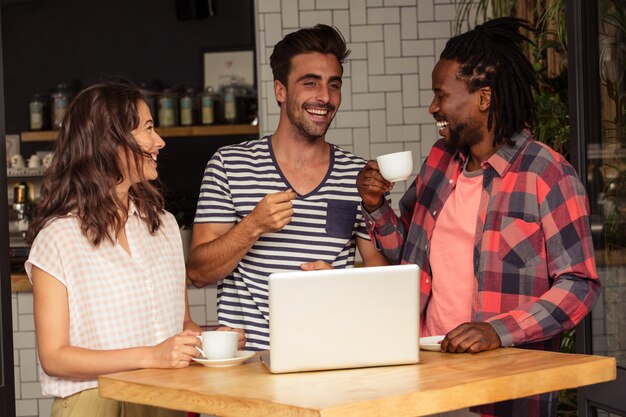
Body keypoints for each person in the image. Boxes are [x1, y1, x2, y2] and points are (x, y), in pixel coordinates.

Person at [356, 17, 600, 417]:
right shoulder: (440, 162)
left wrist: (496, 331)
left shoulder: (547, 174)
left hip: (505, 388)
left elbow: (579, 286)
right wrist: (375, 206)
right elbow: (408, 256)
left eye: (441, 95)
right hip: (425, 373)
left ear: (483, 98)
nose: (433, 107)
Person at [25, 82, 244, 417]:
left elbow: (180, 325)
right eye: (148, 129)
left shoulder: (165, 226)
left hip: (166, 398)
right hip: (94, 401)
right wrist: (149, 356)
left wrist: (212, 342)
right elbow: (54, 357)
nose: (160, 142)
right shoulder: (58, 239)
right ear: (109, 142)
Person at [187, 24, 389, 350]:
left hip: (331, 357)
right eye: (310, 83)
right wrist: (253, 226)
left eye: (333, 85)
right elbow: (198, 273)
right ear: (280, 90)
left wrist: (343, 282)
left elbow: (385, 279)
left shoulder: (358, 176)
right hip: (248, 367)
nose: (324, 97)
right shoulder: (229, 164)